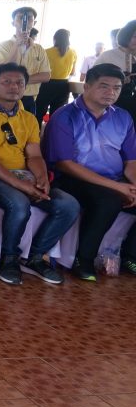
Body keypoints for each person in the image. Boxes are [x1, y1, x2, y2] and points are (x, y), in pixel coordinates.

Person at [0, 63, 78, 285]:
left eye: (19, 83)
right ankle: (9, 259)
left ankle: (35, 257)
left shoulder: (28, 118)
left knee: (68, 205)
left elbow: (34, 156)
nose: (14, 87)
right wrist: (23, 187)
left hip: (23, 176)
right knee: (18, 203)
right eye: (6, 82)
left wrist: (41, 179)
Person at [43, 64, 136, 281]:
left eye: (116, 88)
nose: (111, 92)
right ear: (86, 86)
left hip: (113, 179)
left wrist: (133, 185)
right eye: (104, 86)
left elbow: (131, 161)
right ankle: (83, 260)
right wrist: (118, 187)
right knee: (108, 200)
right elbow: (65, 164)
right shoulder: (65, 116)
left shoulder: (123, 117)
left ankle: (131, 255)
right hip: (71, 179)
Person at [0, 6, 50, 114]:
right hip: (6, 96)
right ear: (13, 23)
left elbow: (46, 76)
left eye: (29, 18)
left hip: (29, 99)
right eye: (20, 18)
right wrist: (17, 44)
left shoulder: (39, 49)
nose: (25, 21)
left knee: (28, 124)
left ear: (34, 23)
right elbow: (3, 72)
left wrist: (19, 81)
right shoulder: (3, 46)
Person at [34, 29, 77, 125]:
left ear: (55, 39)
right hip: (64, 86)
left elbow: (38, 70)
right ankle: (53, 133)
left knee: (39, 113)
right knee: (57, 115)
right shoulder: (73, 53)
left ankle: (36, 133)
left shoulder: (46, 52)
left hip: (47, 85)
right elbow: (73, 72)